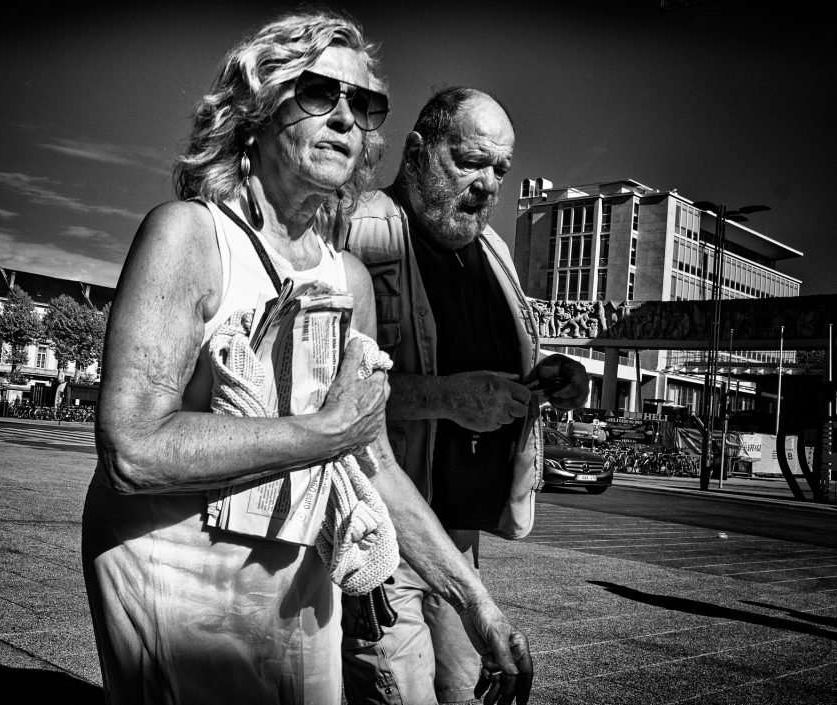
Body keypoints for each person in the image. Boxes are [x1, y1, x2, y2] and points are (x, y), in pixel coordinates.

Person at [81, 11, 533, 705]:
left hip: (298, 580)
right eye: (322, 93)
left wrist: (476, 603)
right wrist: (321, 434)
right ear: (258, 106)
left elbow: (371, 460)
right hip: (170, 569)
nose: (349, 119)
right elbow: (132, 447)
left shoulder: (348, 277)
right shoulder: (190, 236)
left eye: (366, 104)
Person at [340, 87, 588, 704]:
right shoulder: (359, 232)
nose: (488, 184)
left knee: (462, 690)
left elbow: (496, 367)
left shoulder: (494, 252)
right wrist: (442, 397)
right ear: (419, 151)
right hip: (381, 530)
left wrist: (550, 377)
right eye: (471, 161)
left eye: (500, 169)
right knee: (402, 692)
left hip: (459, 540)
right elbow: (320, 391)